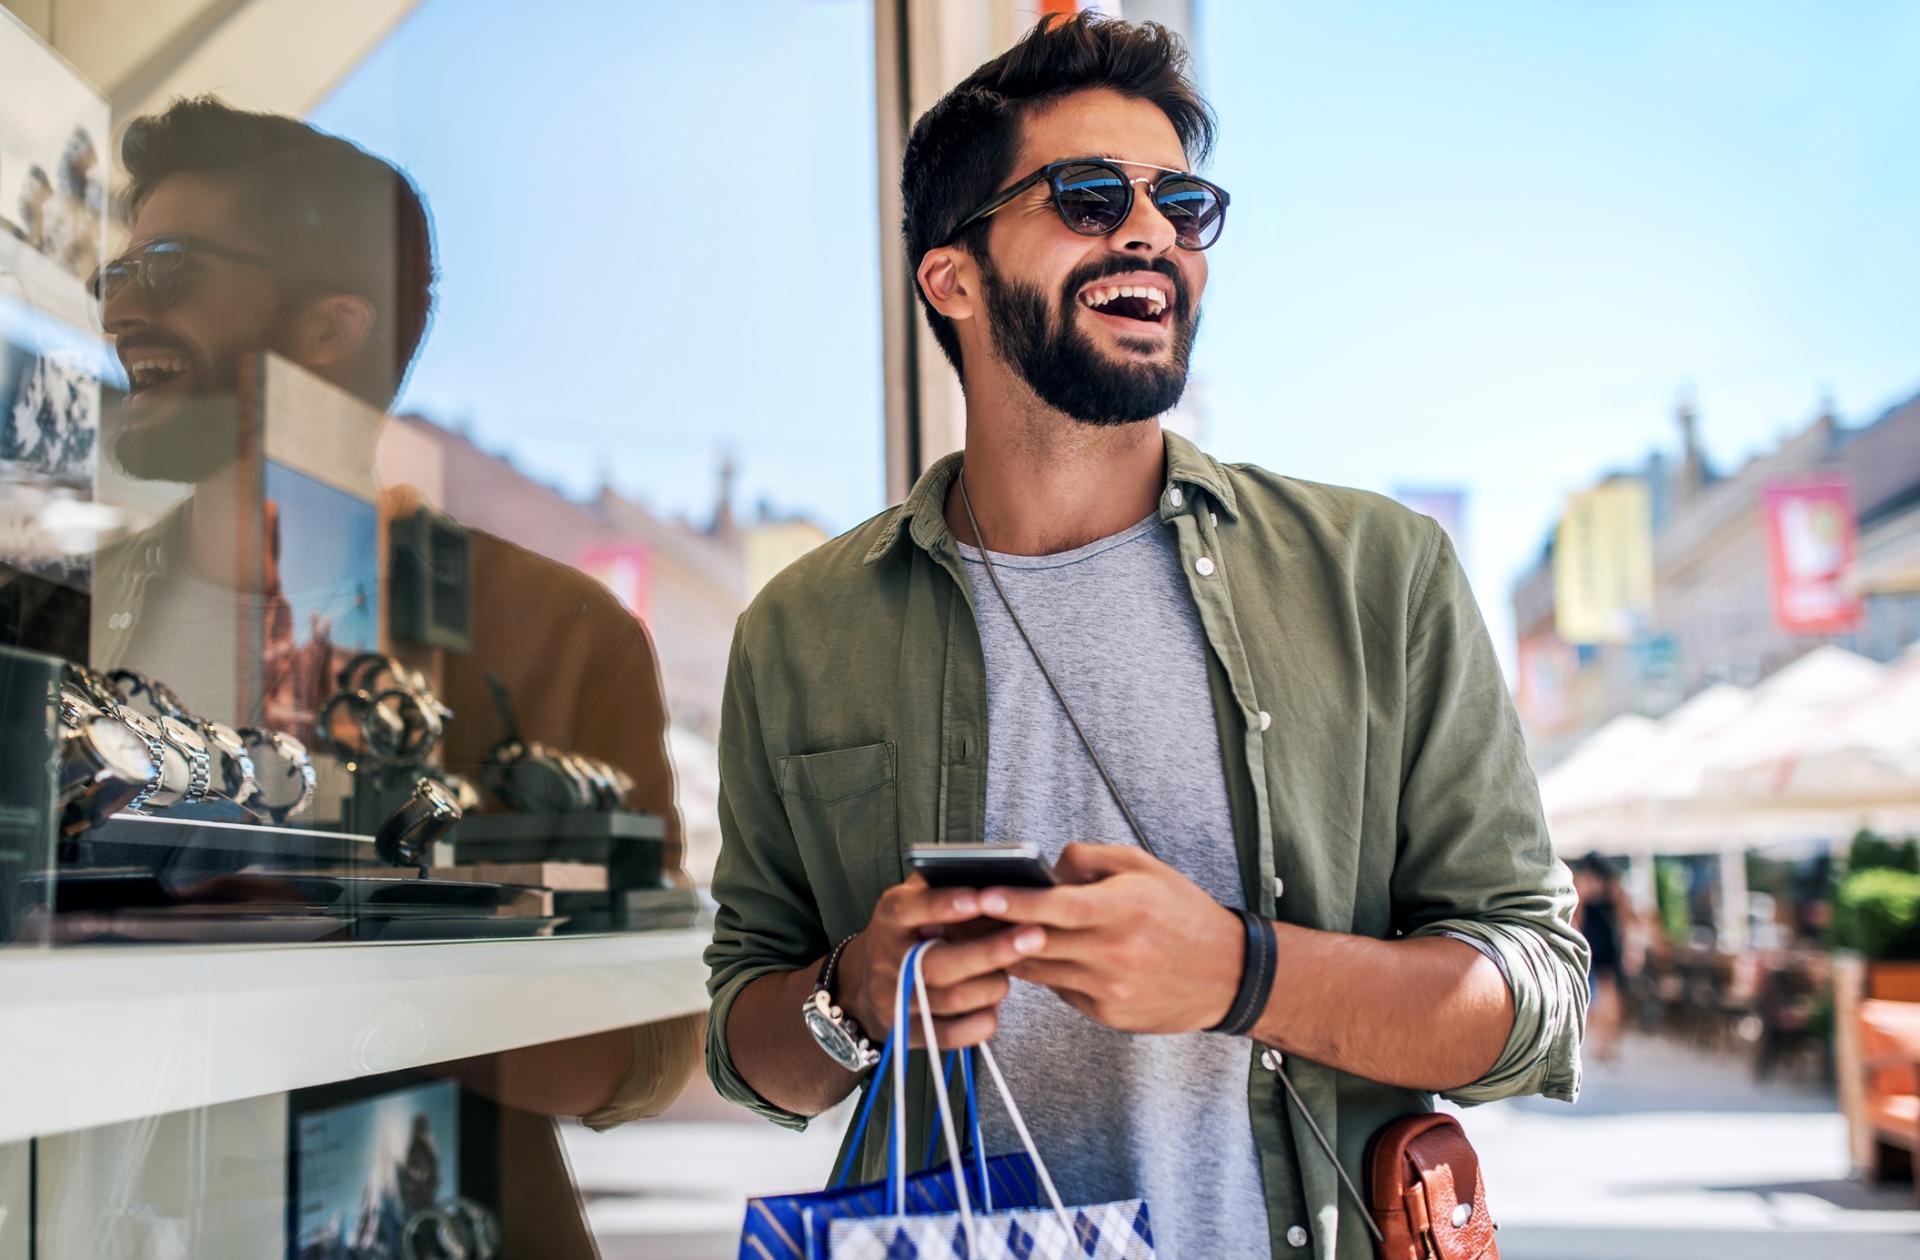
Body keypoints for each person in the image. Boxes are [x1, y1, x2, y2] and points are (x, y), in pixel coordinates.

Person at [704, 14, 1588, 1258]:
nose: (1151, 233)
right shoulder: (802, 631)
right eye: (1087, 196)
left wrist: (1239, 975)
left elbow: (1537, 1000)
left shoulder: (1379, 576)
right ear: (950, 277)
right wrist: (857, 997)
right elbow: (752, 1046)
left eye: (1181, 203)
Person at [17, 95, 697, 1130]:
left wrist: (337, 950)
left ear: (329, 328)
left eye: (166, 269)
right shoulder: (42, 620)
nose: (118, 312)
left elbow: (643, 1056)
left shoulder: (555, 635)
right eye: (115, 276)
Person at [1574, 851, 1634, 1064]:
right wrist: (1627, 948)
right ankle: (1608, 1042)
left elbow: (1576, 918)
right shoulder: (1614, 887)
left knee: (1597, 998)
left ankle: (1602, 1044)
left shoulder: (1583, 884)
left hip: (1591, 944)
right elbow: (1624, 920)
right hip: (1609, 943)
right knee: (1609, 995)